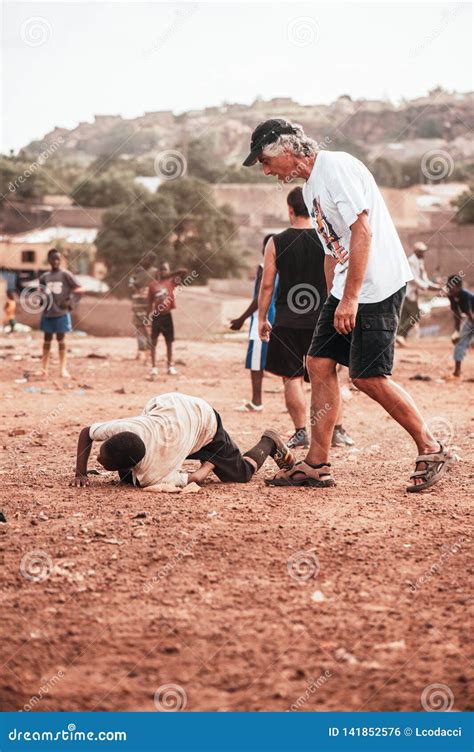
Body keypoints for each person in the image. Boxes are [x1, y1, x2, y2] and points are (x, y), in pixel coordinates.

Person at [243, 118, 455, 492]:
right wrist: (333, 300)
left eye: (264, 160)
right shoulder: (310, 191)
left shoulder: (336, 167)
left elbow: (363, 231)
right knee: (319, 363)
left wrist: (352, 297)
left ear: (285, 149)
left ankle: (432, 447)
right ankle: (317, 464)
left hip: (377, 286)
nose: (265, 170)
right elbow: (331, 251)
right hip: (347, 288)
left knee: (368, 376)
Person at [259, 186, 353, 448]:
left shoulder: (275, 242)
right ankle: (337, 430)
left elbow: (267, 285)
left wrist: (262, 318)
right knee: (328, 376)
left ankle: (301, 432)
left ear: (290, 210)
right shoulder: (326, 239)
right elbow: (339, 277)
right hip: (322, 319)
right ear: (311, 209)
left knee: (291, 377)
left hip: (287, 320)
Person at [71, 391, 295, 489]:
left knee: (240, 475)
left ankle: (269, 441)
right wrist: (80, 472)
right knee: (130, 480)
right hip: (170, 406)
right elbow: (86, 433)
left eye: (102, 460)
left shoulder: (153, 474)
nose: (98, 460)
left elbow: (196, 477)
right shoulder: (126, 428)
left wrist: (211, 462)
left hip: (203, 419)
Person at [230, 234, 277, 412]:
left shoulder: (264, 267)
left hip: (262, 320)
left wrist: (241, 319)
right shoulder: (285, 269)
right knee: (286, 363)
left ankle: (256, 402)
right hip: (280, 320)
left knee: (256, 362)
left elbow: (260, 298)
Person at [38, 248, 84, 378]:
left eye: (58, 259)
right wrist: (41, 301)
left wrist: (71, 303)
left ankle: (63, 369)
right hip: (48, 314)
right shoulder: (44, 277)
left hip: (61, 314)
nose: (56, 261)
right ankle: (44, 368)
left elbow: (80, 289)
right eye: (53, 259)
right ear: (49, 260)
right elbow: (40, 293)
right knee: (46, 339)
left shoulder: (66, 275)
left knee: (61, 340)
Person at [396, 241, 442, 346]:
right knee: (415, 315)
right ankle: (400, 335)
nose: (423, 254)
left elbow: (424, 278)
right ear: (416, 252)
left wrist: (434, 286)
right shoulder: (411, 261)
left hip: (414, 293)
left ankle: (400, 337)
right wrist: (427, 287)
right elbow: (414, 279)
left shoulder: (420, 262)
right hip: (408, 293)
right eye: (421, 252)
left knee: (405, 316)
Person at [147, 261, 187, 378]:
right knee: (153, 342)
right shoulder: (153, 285)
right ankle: (154, 367)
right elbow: (150, 303)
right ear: (158, 271)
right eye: (162, 269)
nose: (163, 271)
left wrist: (169, 275)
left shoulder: (172, 282)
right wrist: (146, 317)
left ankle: (170, 366)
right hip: (157, 316)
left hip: (167, 316)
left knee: (169, 342)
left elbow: (184, 271)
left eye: (166, 269)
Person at [128, 252, 158, 362]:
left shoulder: (155, 272)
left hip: (150, 305)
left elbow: (158, 287)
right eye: (143, 258)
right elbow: (131, 285)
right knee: (139, 328)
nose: (143, 261)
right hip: (137, 305)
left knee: (149, 329)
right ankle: (141, 351)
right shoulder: (136, 272)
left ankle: (148, 353)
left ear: (151, 261)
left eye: (146, 259)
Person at [447, 274, 473, 379]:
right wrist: (456, 332)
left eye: (451, 286)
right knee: (460, 343)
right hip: (470, 319)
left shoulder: (465, 295)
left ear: (459, 286)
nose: (449, 289)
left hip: (471, 317)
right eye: (447, 286)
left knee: (463, 341)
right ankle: (457, 371)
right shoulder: (451, 296)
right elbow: (456, 314)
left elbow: (469, 313)